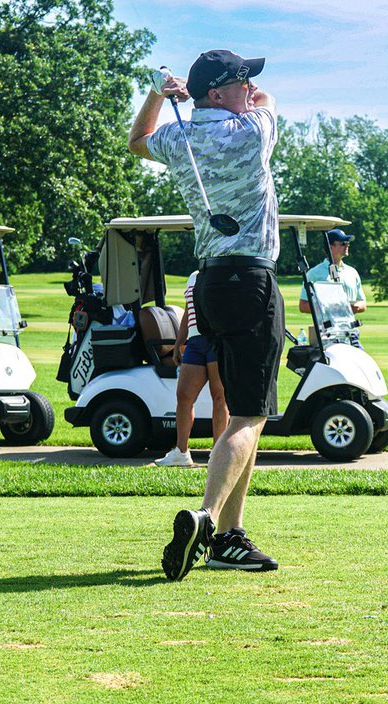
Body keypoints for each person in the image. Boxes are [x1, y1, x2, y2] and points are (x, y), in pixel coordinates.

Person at [130, 49, 282, 579]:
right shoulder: (252, 131)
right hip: (252, 282)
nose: (251, 88)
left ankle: (230, 539)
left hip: (211, 282)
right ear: (218, 93)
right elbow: (268, 99)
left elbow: (138, 140)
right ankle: (208, 518)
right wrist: (210, 98)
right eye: (241, 81)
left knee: (242, 411)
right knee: (251, 416)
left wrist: (159, 92)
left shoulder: (180, 138)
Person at [155, 270, 229, 468]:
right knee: (184, 396)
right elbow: (189, 312)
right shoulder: (193, 276)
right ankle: (181, 453)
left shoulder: (222, 271)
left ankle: (218, 454)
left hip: (217, 339)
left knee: (219, 396)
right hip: (195, 342)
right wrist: (179, 342)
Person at [299, 228, 366, 347]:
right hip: (327, 334)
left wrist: (353, 307)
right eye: (343, 243)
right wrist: (330, 309)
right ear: (331, 247)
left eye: (348, 243)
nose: (347, 245)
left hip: (351, 333)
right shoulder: (314, 274)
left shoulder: (352, 273)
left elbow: (363, 303)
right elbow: (303, 305)